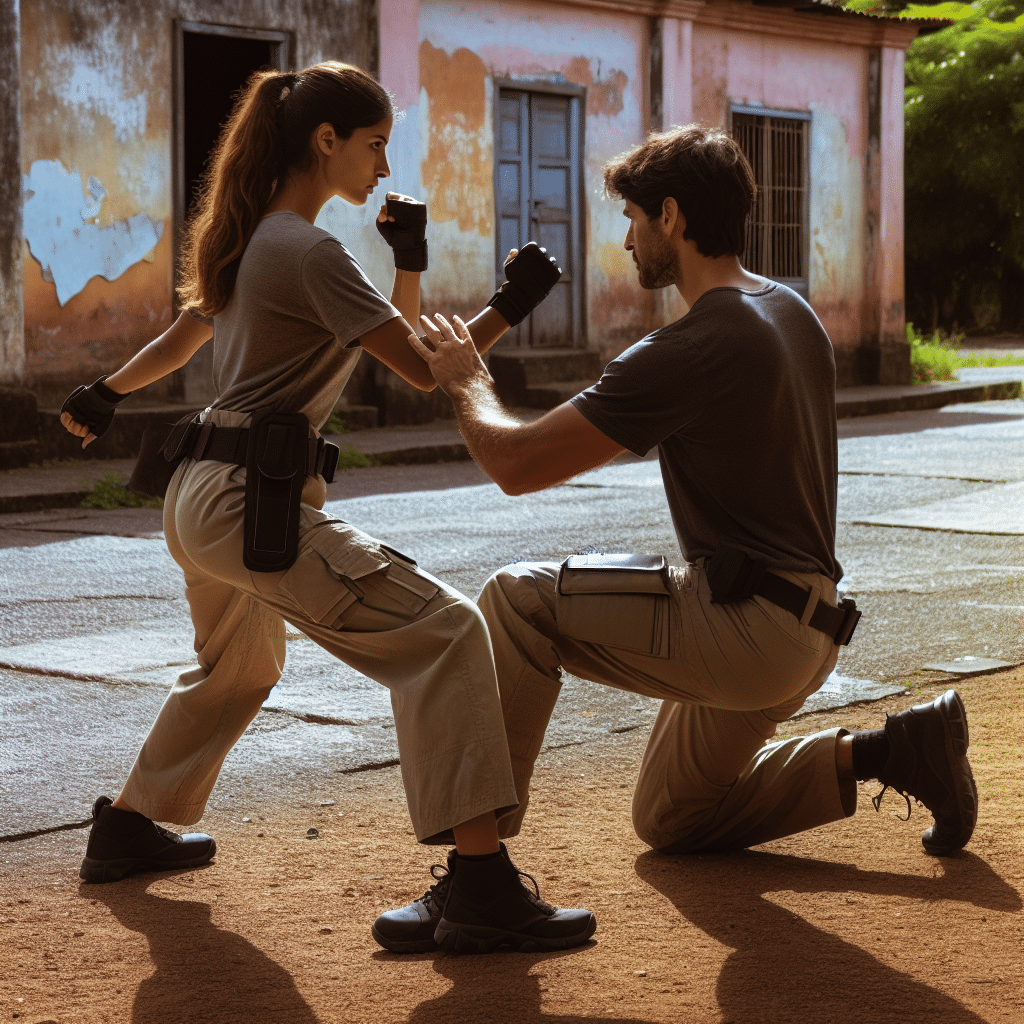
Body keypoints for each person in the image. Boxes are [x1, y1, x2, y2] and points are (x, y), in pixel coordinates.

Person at [60, 61, 595, 955]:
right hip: (250, 504)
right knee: (450, 633)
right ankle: (481, 884)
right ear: (326, 140)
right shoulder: (309, 252)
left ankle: (129, 823)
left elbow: (207, 332)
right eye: (376, 145)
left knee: (238, 670)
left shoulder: (251, 238)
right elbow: (426, 370)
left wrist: (103, 392)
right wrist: (508, 308)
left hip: (202, 500)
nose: (384, 168)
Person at [407, 125, 977, 864]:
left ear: (671, 217)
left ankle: (478, 869)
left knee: (513, 601)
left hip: (748, 630)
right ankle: (892, 750)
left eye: (633, 219)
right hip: (809, 631)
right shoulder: (790, 309)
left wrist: (467, 380)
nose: (626, 240)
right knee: (672, 815)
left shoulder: (693, 345)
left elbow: (514, 465)